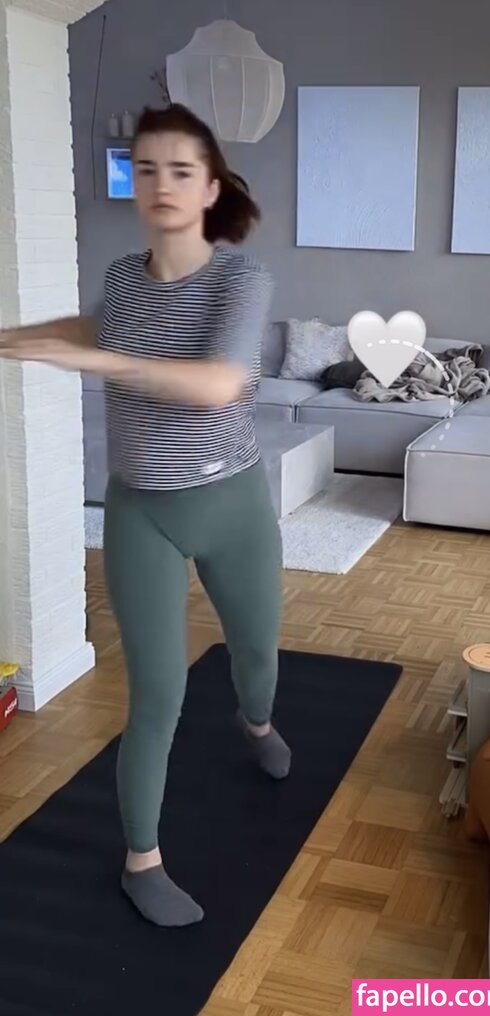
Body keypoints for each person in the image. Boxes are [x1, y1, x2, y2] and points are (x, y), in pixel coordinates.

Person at [0, 103, 291, 928]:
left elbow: (217, 384)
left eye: (182, 170)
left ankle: (256, 719)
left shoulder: (241, 279)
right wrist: (22, 335)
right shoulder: (125, 278)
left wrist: (92, 360)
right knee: (157, 695)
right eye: (148, 168)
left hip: (233, 502)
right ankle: (142, 862)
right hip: (142, 515)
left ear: (210, 188)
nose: (162, 183)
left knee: (257, 653)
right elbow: (103, 325)